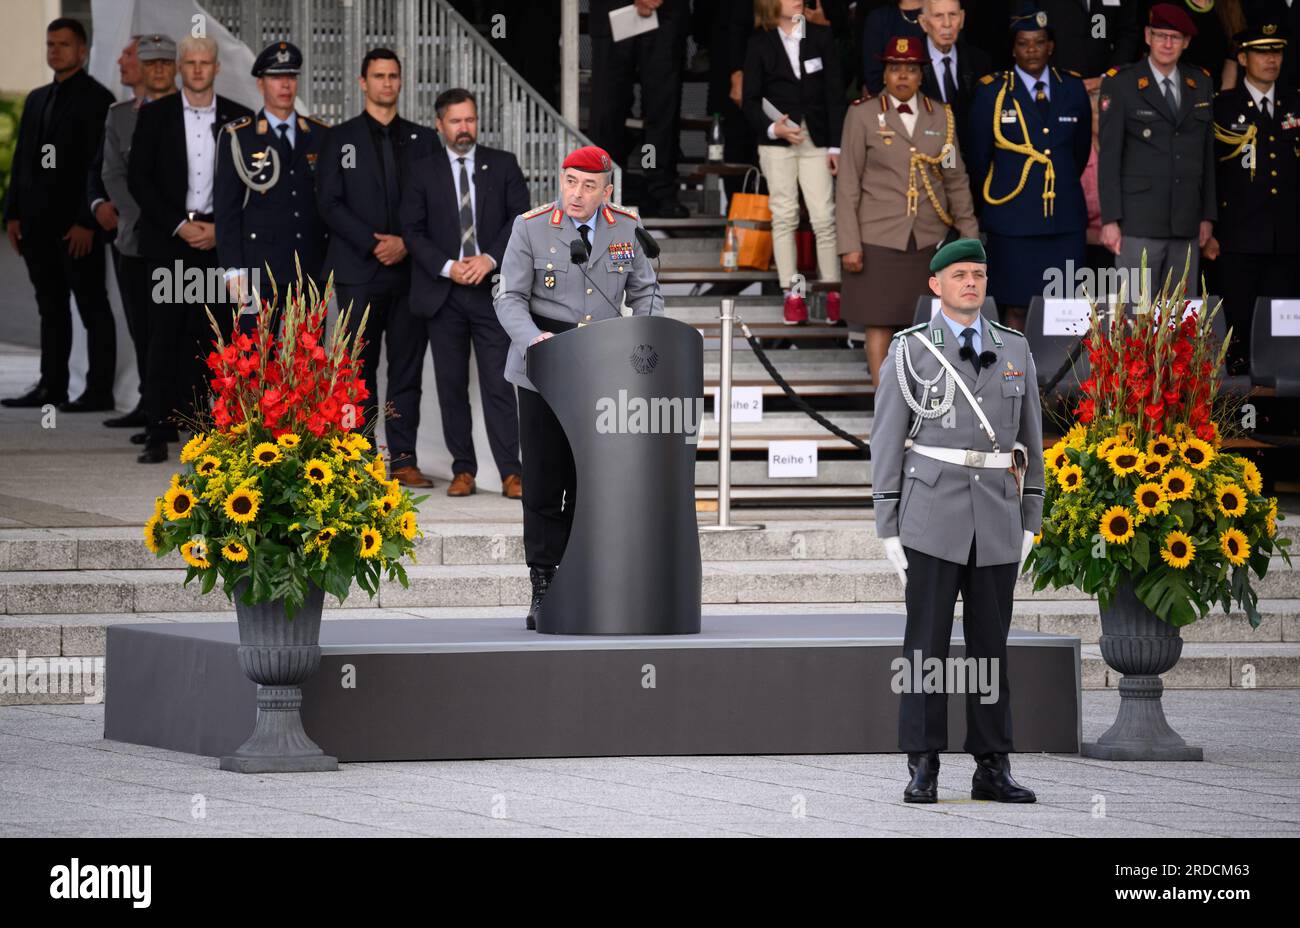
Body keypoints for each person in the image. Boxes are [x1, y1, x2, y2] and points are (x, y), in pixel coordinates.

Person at [870, 237, 1045, 805]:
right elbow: (887, 441)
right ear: (935, 285)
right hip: (931, 512)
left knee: (991, 647)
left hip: (996, 513)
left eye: (978, 273)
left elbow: (1032, 445)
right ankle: (923, 763)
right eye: (959, 274)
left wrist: (1032, 516)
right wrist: (887, 524)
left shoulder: (1015, 348)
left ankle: (992, 764)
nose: (971, 282)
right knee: (926, 648)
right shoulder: (909, 351)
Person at [493, 145, 663, 630]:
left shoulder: (627, 227)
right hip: (544, 364)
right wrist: (535, 341)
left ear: (607, 191)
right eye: (570, 182)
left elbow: (645, 290)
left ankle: (592, 574)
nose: (577, 193)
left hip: (605, 367)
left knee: (594, 481)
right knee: (545, 481)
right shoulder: (530, 226)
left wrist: (642, 337)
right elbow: (509, 298)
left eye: (589, 186)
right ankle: (544, 580)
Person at [316, 48, 437, 488]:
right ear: (362, 83)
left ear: (400, 82)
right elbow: (328, 204)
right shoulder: (339, 138)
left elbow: (434, 205)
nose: (386, 83)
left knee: (406, 370)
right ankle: (358, 459)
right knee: (355, 370)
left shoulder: (424, 140)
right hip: (357, 271)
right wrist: (374, 244)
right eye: (378, 76)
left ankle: (403, 459)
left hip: (410, 273)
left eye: (393, 76)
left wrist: (407, 243)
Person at [401, 88, 529, 499]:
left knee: (498, 382)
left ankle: (512, 472)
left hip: (491, 292)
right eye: (455, 121)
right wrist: (448, 266)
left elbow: (519, 220)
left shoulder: (504, 164)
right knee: (451, 386)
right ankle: (463, 471)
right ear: (439, 125)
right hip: (444, 293)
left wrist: (489, 258)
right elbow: (412, 231)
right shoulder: (421, 170)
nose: (464, 128)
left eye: (470, 120)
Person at [129, 35, 251, 463]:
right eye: (191, 62)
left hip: (222, 244)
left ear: (217, 68)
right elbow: (138, 179)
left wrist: (220, 230)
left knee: (216, 336)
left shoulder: (241, 118)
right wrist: (181, 226)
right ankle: (157, 430)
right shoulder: (155, 115)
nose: (198, 69)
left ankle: (213, 429)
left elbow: (251, 185)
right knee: (163, 335)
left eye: (205, 63)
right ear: (181, 67)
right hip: (170, 242)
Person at [836, 36, 979, 385]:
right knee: (879, 321)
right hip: (878, 237)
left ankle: (921, 404)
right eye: (895, 68)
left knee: (924, 326)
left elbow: (955, 178)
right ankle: (883, 403)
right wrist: (849, 243)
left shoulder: (941, 116)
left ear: (921, 75)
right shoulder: (862, 114)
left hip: (929, 238)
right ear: (884, 74)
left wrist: (969, 236)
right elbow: (848, 184)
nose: (902, 76)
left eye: (910, 70)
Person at [2, 18, 116, 413]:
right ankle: (52, 386)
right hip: (35, 228)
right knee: (50, 309)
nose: (55, 51)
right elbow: (23, 162)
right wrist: (12, 215)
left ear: (82, 51)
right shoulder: (36, 99)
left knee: (91, 307)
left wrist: (86, 222)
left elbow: (99, 167)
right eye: (51, 44)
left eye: (64, 45)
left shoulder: (99, 99)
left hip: (76, 229)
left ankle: (100, 391)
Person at [966, 2, 1092, 330]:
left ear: (1051, 46)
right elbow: (979, 159)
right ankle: (1013, 380)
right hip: (1013, 220)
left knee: (1066, 312)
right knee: (1016, 307)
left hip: (1063, 220)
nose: (1032, 50)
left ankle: (1064, 383)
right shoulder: (991, 91)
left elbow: (1077, 154)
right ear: (1013, 48)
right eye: (1023, 43)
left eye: (1039, 42)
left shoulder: (1073, 88)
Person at [1099, 3, 1217, 299]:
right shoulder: (1122, 83)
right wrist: (1110, 219)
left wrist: (1207, 216)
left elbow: (1206, 156)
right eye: (1161, 35)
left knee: (1178, 323)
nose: (1167, 44)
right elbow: (1109, 157)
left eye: (1175, 37)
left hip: (1186, 221)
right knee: (1134, 319)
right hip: (1137, 222)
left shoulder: (1200, 82)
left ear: (1186, 42)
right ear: (1148, 36)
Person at [1205, 18, 1300, 373]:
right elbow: (1209, 173)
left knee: (1283, 326)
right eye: (1262, 52)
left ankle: (1280, 414)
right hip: (1238, 238)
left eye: (1276, 52)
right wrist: (1209, 228)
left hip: (1286, 239)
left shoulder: (1294, 103)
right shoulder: (1223, 107)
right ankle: (1240, 411)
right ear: (1243, 58)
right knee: (1239, 328)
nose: (1271, 59)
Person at [214, 41, 329, 329]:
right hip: (256, 271)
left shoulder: (320, 133)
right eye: (276, 77)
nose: (285, 85)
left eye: (290, 77)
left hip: (309, 269)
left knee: (305, 365)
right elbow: (226, 209)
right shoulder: (239, 135)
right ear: (260, 84)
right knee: (254, 362)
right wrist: (232, 271)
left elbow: (332, 201)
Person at [743, 0, 845, 325]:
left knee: (824, 216)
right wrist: (775, 128)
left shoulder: (820, 36)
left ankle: (833, 293)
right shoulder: (759, 41)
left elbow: (834, 92)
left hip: (816, 138)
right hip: (777, 141)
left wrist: (836, 147)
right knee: (784, 215)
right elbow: (750, 98)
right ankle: (793, 295)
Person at [95, 35, 175, 431]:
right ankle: (151, 404)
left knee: (182, 329)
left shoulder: (191, 111)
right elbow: (111, 172)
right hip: (136, 239)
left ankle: (179, 407)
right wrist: (145, 217)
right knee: (142, 326)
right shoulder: (120, 114)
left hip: (182, 242)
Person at [587, 0, 691, 218]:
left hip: (665, 14)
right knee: (608, 107)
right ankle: (604, 189)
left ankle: (659, 190)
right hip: (613, 9)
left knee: (662, 108)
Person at [918, 0, 993, 170]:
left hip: (973, 167)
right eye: (938, 16)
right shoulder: (911, 66)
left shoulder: (980, 61)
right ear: (923, 23)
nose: (947, 24)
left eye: (953, 15)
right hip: (925, 168)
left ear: (962, 19)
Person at [1037, 0, 1142, 92]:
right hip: (1054, 86)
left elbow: (1128, 33)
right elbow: (1028, 35)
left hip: (1104, 87)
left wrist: (1108, 77)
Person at [863, 0, 927, 95]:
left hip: (936, 104)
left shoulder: (943, 13)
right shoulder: (879, 18)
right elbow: (873, 76)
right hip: (890, 105)